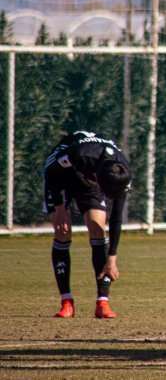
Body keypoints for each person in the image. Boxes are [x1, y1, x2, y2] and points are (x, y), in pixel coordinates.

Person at [43, 131, 131, 319]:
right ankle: (66, 302)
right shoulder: (81, 154)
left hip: (91, 177)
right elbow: (52, 171)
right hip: (61, 176)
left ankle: (102, 302)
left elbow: (116, 217)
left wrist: (112, 258)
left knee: (97, 226)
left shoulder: (121, 171)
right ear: (99, 180)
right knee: (63, 232)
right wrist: (59, 208)